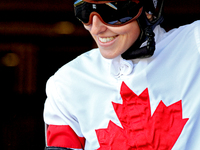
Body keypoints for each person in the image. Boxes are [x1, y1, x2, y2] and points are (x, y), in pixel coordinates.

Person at [43, 0, 200, 149]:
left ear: (149, 11)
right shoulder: (66, 83)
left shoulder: (194, 44)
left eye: (111, 13)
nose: (96, 29)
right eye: (84, 12)